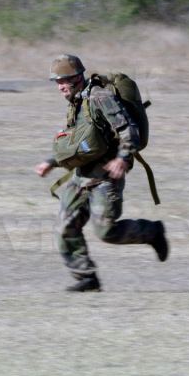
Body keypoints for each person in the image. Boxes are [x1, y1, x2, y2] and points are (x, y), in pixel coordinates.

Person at [35, 54, 168, 292]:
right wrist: (50, 162)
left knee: (107, 231)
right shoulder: (76, 102)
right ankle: (86, 277)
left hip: (106, 177)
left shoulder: (99, 97)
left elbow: (129, 129)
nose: (60, 86)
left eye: (63, 81)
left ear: (77, 78)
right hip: (81, 176)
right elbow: (77, 142)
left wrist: (122, 159)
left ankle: (152, 231)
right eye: (57, 82)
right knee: (64, 227)